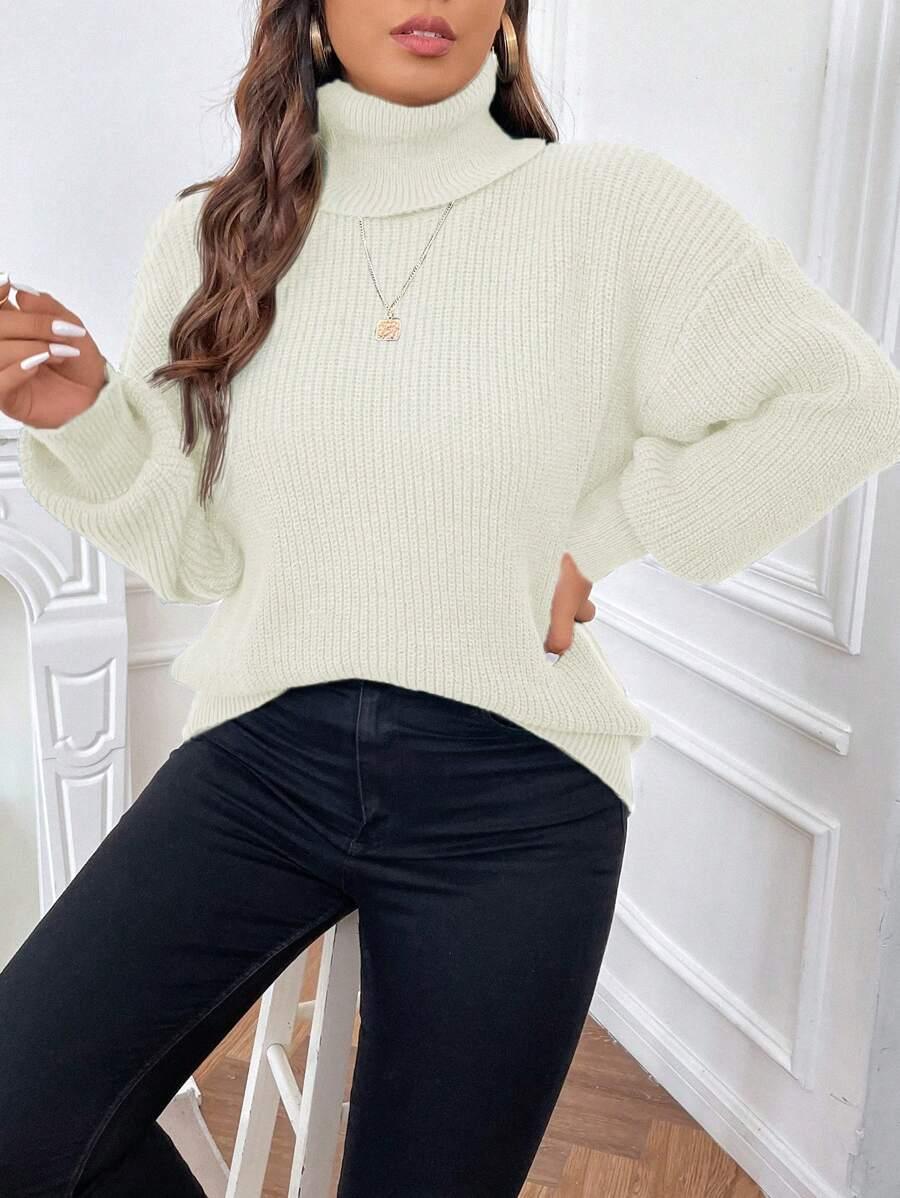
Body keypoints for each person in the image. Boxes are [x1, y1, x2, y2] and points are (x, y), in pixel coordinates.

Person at [1, 3, 899, 1195]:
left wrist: (608, 534)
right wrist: (86, 426)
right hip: (263, 758)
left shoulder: (614, 210)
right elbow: (202, 561)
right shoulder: (213, 237)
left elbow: (846, 399)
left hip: (517, 788)